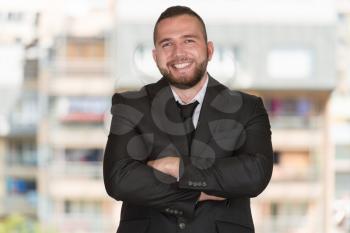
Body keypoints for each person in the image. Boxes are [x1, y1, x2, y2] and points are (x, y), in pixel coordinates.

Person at [103, 5, 273, 233]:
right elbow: (119, 179)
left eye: (189, 41)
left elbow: (255, 174)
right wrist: (197, 193)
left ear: (209, 50)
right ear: (155, 57)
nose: (178, 53)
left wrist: (180, 167)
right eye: (167, 44)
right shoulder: (129, 105)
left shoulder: (248, 108)